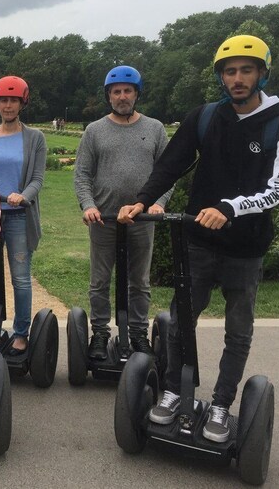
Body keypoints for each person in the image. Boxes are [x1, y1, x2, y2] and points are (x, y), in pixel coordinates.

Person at [118, 35, 279, 443]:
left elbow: (277, 189)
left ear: (261, 74)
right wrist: (142, 200)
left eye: (246, 70)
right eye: (230, 71)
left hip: (246, 247)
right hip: (198, 242)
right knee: (181, 322)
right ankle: (172, 392)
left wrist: (231, 208)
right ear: (221, 76)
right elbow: (172, 163)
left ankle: (220, 404)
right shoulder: (204, 116)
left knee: (238, 332)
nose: (237, 78)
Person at [74, 65, 172, 360]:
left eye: (127, 91)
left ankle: (139, 333)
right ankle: (101, 333)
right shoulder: (94, 131)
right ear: (109, 96)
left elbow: (167, 173)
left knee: (139, 281)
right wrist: (88, 205)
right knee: (100, 280)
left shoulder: (154, 128)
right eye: (116, 92)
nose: (122, 96)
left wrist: (160, 203)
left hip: (143, 219)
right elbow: (81, 175)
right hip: (104, 218)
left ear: (136, 94)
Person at [0, 75, 46, 356]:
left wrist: (23, 195)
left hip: (18, 215)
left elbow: (38, 178)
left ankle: (20, 333)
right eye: (3, 100)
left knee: (20, 277)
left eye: (13, 100)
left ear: (22, 103)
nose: (8, 105)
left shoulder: (34, 138)